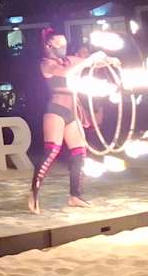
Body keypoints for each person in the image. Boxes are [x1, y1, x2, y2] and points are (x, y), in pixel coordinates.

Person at [29, 28, 112, 214]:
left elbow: (91, 63)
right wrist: (88, 61)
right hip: (56, 110)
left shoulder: (68, 60)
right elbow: (66, 73)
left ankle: (75, 195)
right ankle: (33, 193)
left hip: (71, 111)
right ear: (49, 45)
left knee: (79, 151)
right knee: (52, 151)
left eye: (65, 43)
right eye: (60, 44)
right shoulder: (46, 64)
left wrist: (107, 60)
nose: (64, 47)